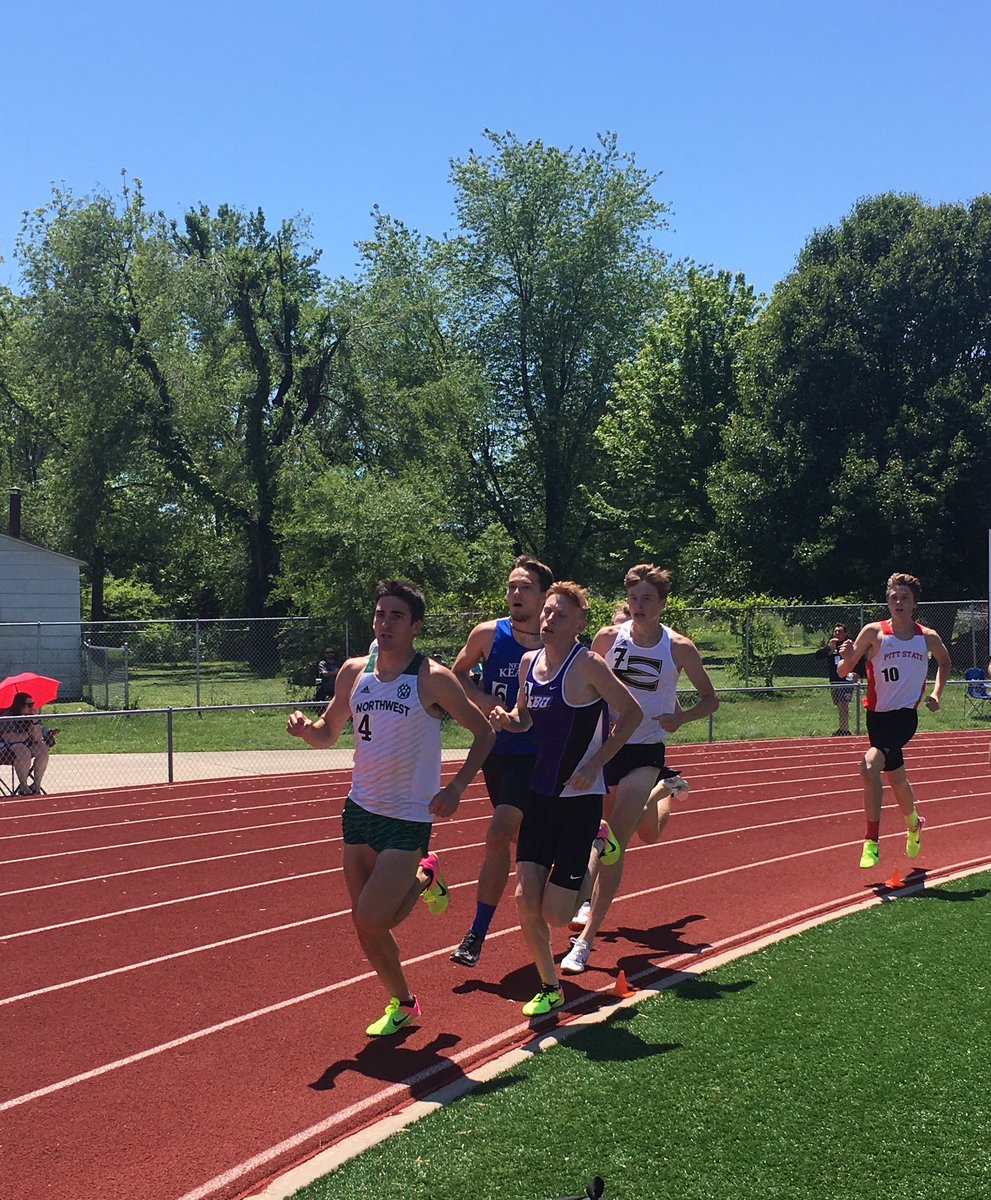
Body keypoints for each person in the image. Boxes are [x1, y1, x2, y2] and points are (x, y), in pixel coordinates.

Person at [287, 580, 494, 1037]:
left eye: (396, 616)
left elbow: (485, 734)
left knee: (371, 917)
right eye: (380, 614)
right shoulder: (353, 673)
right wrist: (305, 730)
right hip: (359, 809)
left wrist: (457, 786)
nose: (385, 623)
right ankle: (404, 1002)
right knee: (366, 928)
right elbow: (327, 732)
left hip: (407, 816)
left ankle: (425, 875)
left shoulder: (432, 677)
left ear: (415, 625)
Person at [489, 581, 643, 1017]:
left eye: (560, 614)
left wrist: (596, 764)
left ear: (579, 624)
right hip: (539, 794)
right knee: (524, 898)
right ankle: (549, 985)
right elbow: (524, 720)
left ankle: (598, 843)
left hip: (579, 799)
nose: (549, 619)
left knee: (558, 914)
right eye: (547, 612)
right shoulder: (527, 663)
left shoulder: (589, 665)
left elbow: (630, 714)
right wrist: (507, 719)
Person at [562, 564, 719, 974]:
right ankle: (666, 791)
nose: (639, 605)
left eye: (648, 598)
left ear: (663, 603)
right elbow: (588, 688)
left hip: (645, 750)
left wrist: (679, 720)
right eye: (633, 598)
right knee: (643, 832)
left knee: (613, 839)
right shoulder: (609, 638)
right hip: (604, 749)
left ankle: (585, 940)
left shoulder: (679, 647)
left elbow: (710, 700)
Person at [448, 555, 554, 968]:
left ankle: (476, 934)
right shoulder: (489, 635)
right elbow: (456, 674)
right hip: (498, 754)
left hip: (539, 754)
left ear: (544, 595)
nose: (515, 594)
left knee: (498, 834)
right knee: (521, 839)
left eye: (525, 587)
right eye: (511, 586)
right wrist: (487, 700)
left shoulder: (556, 641)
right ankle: (588, 838)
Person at [837, 572, 951, 870]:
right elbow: (843, 671)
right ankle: (914, 824)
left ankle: (871, 841)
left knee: (868, 767)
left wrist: (937, 693)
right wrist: (846, 656)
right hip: (877, 717)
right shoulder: (874, 632)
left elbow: (945, 661)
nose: (897, 602)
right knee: (897, 778)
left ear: (914, 604)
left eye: (904, 598)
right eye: (893, 597)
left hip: (904, 718)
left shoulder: (926, 637)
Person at [817, 623, 866, 736]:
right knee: (839, 705)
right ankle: (842, 727)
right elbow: (818, 656)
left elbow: (860, 660)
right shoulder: (832, 645)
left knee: (844, 704)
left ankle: (845, 730)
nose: (837, 633)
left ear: (845, 633)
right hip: (834, 680)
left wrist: (858, 674)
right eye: (836, 631)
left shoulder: (849, 645)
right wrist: (829, 648)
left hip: (846, 680)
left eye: (840, 631)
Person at [0, 692, 51, 795]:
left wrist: (35, 722)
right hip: (5, 748)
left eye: (33, 704)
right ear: (20, 705)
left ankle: (36, 785)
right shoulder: (8, 716)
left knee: (42, 748)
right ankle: (23, 787)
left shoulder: (30, 716)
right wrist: (28, 734)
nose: (32, 707)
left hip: (25, 745)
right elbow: (10, 738)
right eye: (29, 705)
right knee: (23, 750)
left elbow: (37, 738)